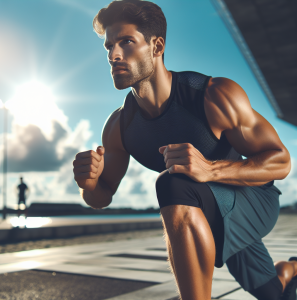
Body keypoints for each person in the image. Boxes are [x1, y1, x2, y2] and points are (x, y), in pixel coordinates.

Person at [73, 1, 297, 299]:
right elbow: (101, 197)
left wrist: (211, 169)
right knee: (274, 294)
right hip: (205, 206)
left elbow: (281, 161)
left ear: (156, 46)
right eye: (109, 46)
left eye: (126, 42)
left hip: (253, 199)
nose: (113, 55)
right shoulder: (119, 126)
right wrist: (88, 184)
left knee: (173, 183)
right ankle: (291, 271)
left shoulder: (212, 95)